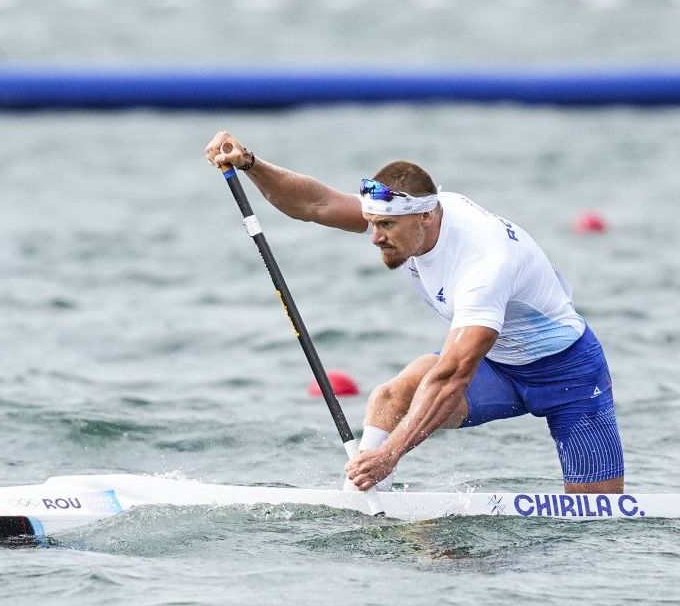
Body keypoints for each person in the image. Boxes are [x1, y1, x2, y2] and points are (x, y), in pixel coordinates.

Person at [204, 131, 624, 495]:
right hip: (500, 371)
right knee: (391, 396)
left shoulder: (483, 265)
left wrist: (391, 454)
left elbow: (453, 375)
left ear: (425, 217)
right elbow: (316, 204)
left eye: (386, 228)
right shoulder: (411, 211)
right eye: (371, 223)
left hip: (569, 376)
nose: (375, 238)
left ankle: (376, 470)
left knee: (595, 519)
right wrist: (251, 164)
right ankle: (361, 499)